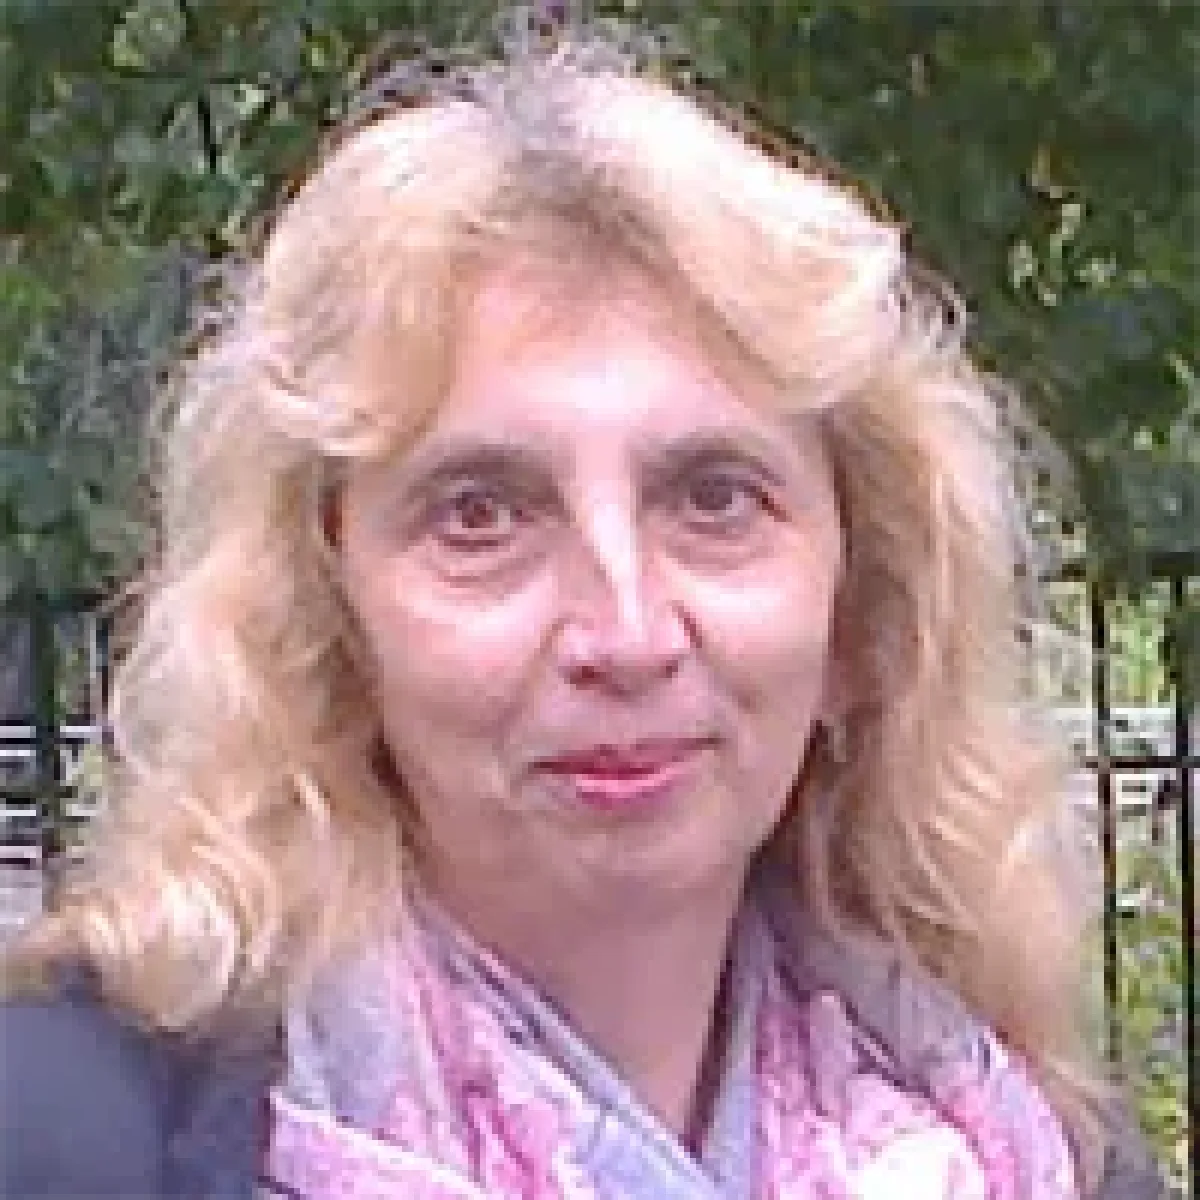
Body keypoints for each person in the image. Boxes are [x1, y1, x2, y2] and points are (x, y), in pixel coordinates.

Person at [0, 9, 1166, 1198]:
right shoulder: (64, 1146)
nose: (626, 634)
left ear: (861, 615)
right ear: (325, 619)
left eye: (715, 498)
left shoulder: (1034, 1151)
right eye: (480, 515)